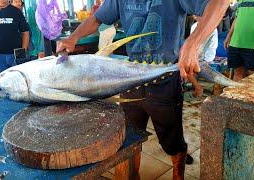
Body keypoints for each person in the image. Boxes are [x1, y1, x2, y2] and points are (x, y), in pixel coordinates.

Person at [57, 0, 228, 179]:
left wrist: (193, 42)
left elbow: (219, 3)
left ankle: (178, 172)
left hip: (165, 81)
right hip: (131, 80)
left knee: (172, 140)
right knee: (129, 139)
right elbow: (97, 19)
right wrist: (73, 37)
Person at [224, 0, 254, 82]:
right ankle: (236, 95)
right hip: (236, 43)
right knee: (237, 73)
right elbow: (237, 18)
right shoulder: (241, 1)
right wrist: (229, 36)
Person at [188, 15, 218, 97]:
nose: (197, 17)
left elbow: (212, 46)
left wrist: (206, 60)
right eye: (196, 15)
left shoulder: (211, 27)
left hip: (205, 58)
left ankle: (198, 87)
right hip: (195, 55)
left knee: (189, 69)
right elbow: (192, 44)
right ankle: (196, 87)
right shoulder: (194, 26)